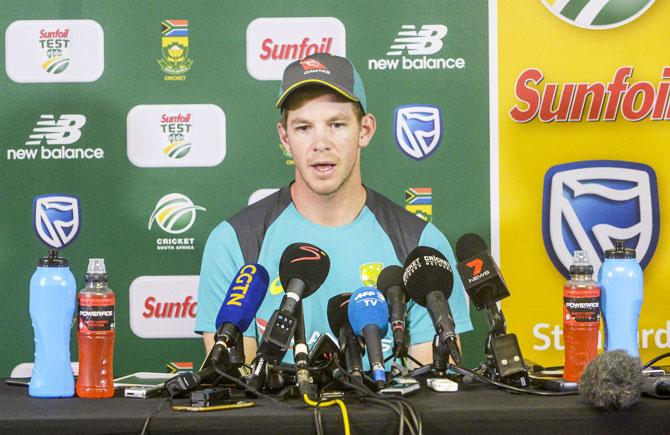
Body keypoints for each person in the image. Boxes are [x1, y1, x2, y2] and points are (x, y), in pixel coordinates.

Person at [194, 53, 472, 366]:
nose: (320, 143)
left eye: (336, 124)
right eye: (303, 128)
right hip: (275, 417)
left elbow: (432, 389)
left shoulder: (421, 245)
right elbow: (237, 392)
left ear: (365, 130)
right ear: (284, 138)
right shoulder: (234, 241)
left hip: (395, 416)